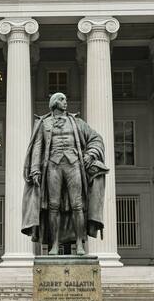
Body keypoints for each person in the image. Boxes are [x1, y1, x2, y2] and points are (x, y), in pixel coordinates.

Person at [21, 93, 108, 255]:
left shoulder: (76, 122)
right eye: (62, 100)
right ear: (54, 102)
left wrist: (90, 154)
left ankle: (79, 243)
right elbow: (38, 147)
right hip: (53, 166)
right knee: (53, 206)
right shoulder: (43, 123)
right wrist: (35, 169)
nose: (65, 102)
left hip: (74, 164)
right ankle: (54, 244)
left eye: (66, 100)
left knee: (77, 205)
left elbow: (96, 138)